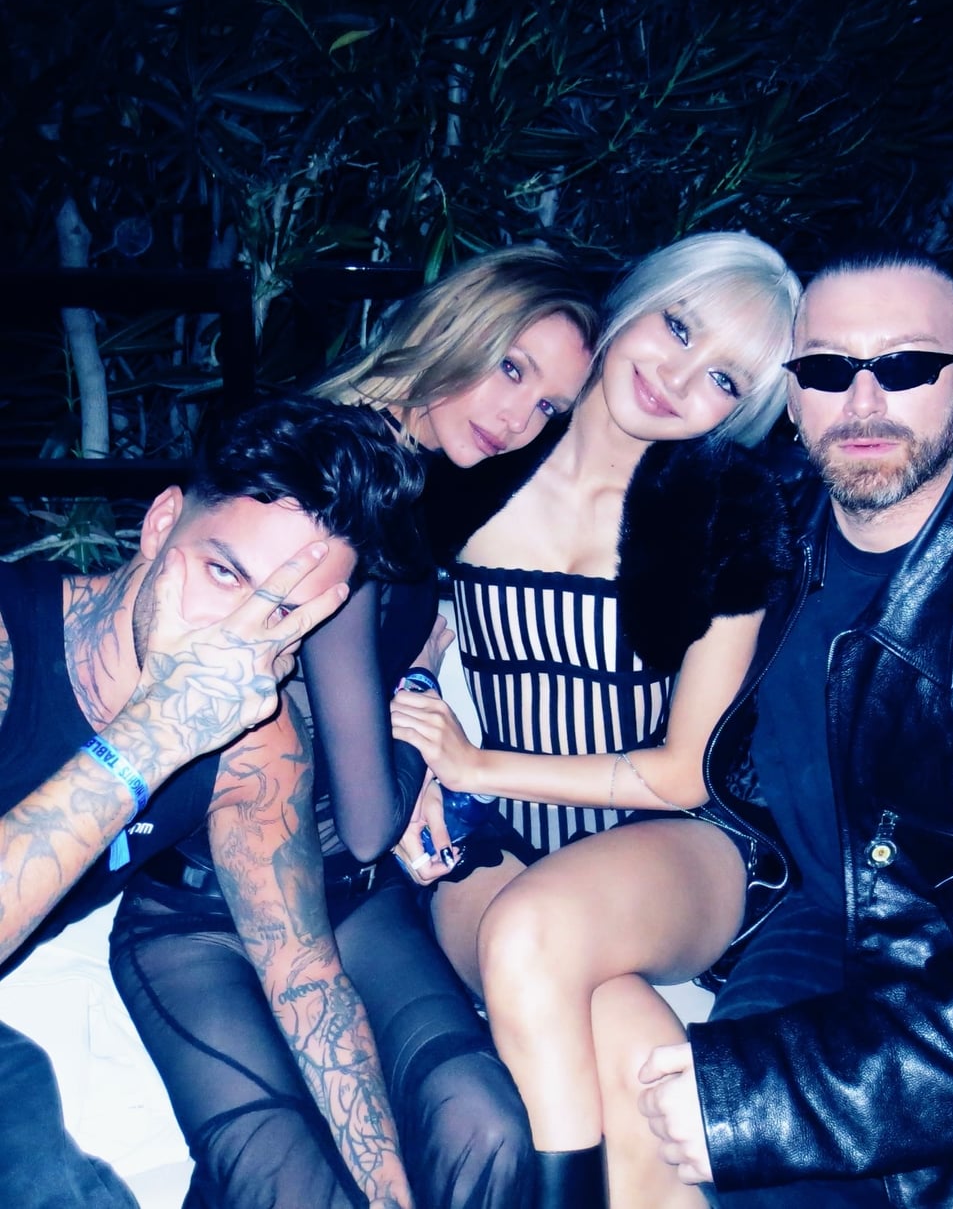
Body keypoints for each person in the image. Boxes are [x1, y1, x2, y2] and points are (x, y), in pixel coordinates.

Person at [110, 247, 599, 1209]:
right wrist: (421, 731)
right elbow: (374, 818)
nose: (518, 418)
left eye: (548, 404)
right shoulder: (338, 490)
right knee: (292, 1181)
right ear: (456, 327)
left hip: (348, 896)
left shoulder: (396, 464)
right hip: (201, 914)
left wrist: (411, 678)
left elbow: (364, 722)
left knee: (487, 1126)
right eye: (511, 367)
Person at [636, 251, 953, 1207]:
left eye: (908, 365)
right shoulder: (767, 526)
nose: (864, 401)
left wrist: (769, 1099)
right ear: (793, 399)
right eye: (830, 368)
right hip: (808, 908)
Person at [388, 232, 801, 1208]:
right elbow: (409, 633)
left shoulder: (725, 511)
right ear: (632, 303)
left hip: (674, 841)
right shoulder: (485, 454)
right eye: (679, 327)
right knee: (626, 1030)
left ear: (742, 413)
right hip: (497, 841)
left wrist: (478, 764)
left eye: (725, 380)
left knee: (535, 931)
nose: (679, 378)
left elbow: (684, 771)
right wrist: (419, 753)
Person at [0, 390, 428, 1209]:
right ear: (162, 523)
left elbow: (305, 978)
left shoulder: (255, 743)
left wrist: (388, 1194)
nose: (234, 635)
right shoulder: (10, 645)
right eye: (224, 572)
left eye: (284, 613)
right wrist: (154, 734)